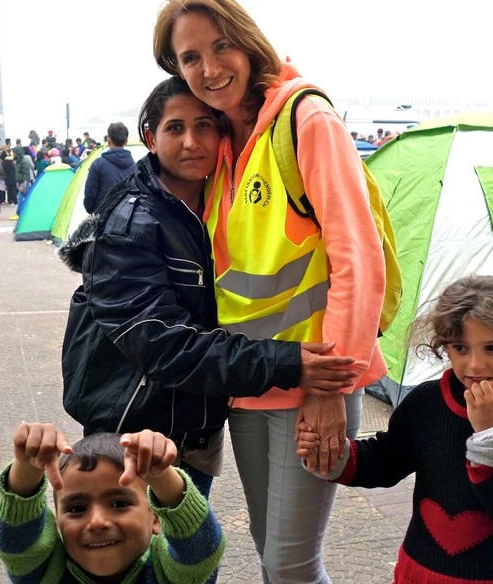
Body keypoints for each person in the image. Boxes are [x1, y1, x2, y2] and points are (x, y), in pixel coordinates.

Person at [153, 2, 387, 581]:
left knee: (289, 563)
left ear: (248, 41)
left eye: (219, 47)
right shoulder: (225, 143)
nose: (209, 68)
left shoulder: (305, 120)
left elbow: (358, 259)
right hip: (251, 381)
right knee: (270, 549)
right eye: (190, 58)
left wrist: (332, 386)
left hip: (314, 381)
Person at [60, 76, 357, 499]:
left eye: (204, 125)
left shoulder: (218, 204)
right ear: (150, 136)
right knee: (140, 557)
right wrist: (285, 361)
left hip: (194, 430)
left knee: (191, 557)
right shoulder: (130, 223)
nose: (190, 141)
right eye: (175, 128)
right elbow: (162, 342)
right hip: (135, 433)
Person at [298, 275, 493, 583]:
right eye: (461, 348)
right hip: (422, 571)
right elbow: (385, 461)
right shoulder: (426, 401)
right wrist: (333, 453)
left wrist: (490, 434)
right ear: (444, 347)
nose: (474, 365)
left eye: (492, 348)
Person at [0, 422, 224, 583]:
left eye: (119, 504)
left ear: (155, 518)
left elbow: (200, 550)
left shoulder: (166, 573)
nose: (97, 522)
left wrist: (161, 475)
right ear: (56, 524)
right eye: (77, 509)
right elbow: (16, 542)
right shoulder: (45, 573)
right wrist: (27, 469)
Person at [83, 121, 137, 213]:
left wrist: (93, 212)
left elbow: (90, 195)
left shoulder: (98, 164)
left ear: (108, 140)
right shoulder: (135, 167)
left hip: (102, 219)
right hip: (126, 219)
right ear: (126, 141)